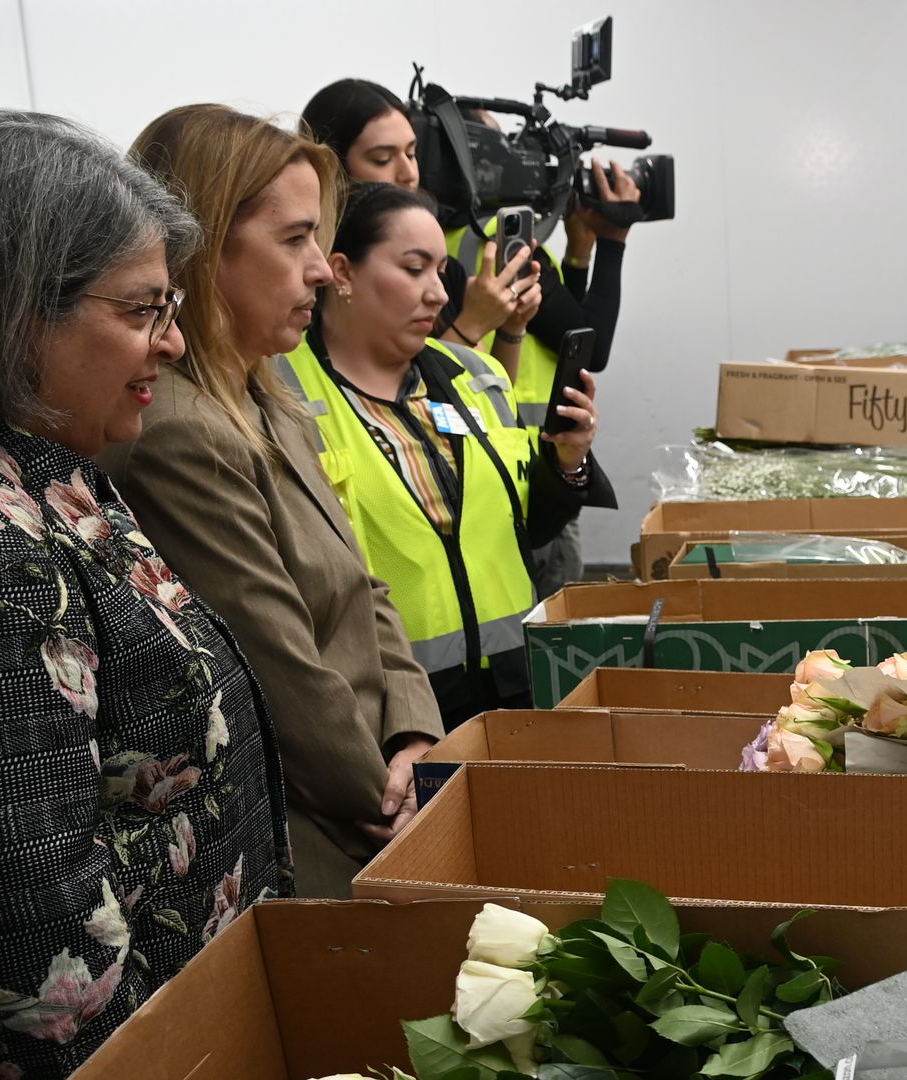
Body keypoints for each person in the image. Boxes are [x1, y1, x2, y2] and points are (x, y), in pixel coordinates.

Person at [0, 110, 290, 1076]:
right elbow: (37, 981)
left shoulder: (10, 458)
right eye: (141, 309)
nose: (171, 343)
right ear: (6, 309)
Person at [104, 104, 444, 899]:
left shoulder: (266, 397)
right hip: (318, 832)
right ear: (199, 251)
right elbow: (277, 668)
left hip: (374, 790)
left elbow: (364, 587)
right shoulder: (181, 431)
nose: (323, 270)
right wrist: (396, 800)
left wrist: (417, 733)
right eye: (294, 241)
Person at [283, 182, 615, 725]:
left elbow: (524, 528)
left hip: (516, 688)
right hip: (394, 710)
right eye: (415, 269)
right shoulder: (285, 397)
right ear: (341, 273)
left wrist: (567, 461)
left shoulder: (475, 376)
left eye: (440, 271)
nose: (439, 293)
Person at [440, 107, 639, 598]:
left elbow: (561, 332)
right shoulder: (508, 252)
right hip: (532, 470)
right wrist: (614, 241)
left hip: (484, 467)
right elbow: (594, 347)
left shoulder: (444, 245)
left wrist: (577, 257)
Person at [301, 78, 541, 358]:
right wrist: (470, 325)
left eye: (412, 153)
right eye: (382, 159)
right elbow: (396, 382)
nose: (409, 173)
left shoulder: (448, 274)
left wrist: (511, 328)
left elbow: (483, 395)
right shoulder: (309, 277)